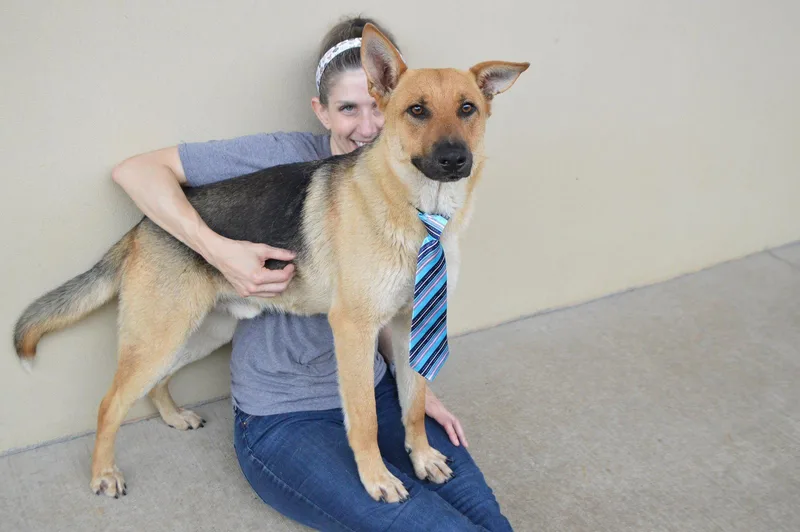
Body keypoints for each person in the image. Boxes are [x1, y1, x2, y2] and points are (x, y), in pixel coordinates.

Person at [112, 15, 512, 532]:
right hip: (283, 416)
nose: (370, 127)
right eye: (350, 108)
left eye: (378, 111)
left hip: (375, 392)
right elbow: (134, 171)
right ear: (323, 111)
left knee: (489, 521)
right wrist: (219, 253)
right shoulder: (280, 155)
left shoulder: (425, 201)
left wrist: (419, 395)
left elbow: (391, 313)